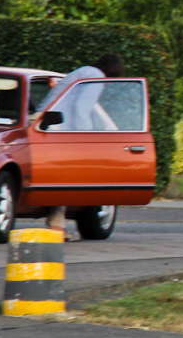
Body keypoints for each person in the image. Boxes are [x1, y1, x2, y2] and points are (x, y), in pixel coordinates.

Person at [41, 54, 125, 239]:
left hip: (46, 125)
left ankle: (57, 226)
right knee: (68, 177)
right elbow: (82, 108)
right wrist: (87, 138)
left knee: (63, 178)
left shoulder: (83, 73)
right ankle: (56, 227)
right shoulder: (95, 77)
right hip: (57, 130)